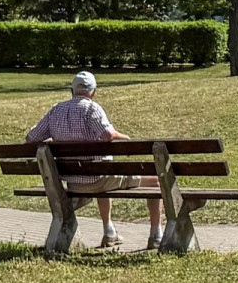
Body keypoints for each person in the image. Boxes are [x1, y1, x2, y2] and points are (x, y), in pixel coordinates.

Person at [26, 71, 163, 248]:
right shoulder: (91, 108)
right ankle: (156, 235)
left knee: (103, 172)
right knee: (156, 182)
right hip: (99, 180)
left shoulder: (56, 110)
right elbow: (108, 135)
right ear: (93, 92)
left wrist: (54, 140)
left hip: (73, 183)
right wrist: (125, 137)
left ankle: (109, 232)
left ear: (72, 90)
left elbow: (31, 138)